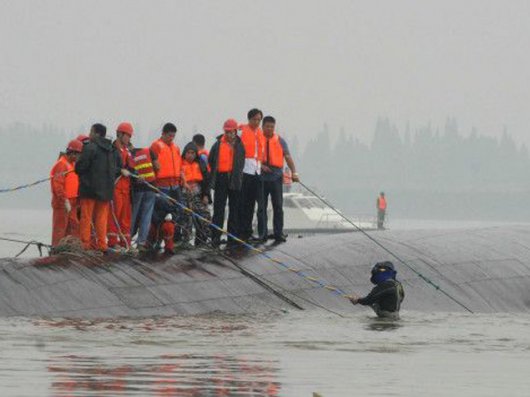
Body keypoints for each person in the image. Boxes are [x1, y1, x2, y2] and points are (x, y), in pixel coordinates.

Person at [75, 123, 122, 252]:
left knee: (86, 217)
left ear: (97, 134)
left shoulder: (90, 148)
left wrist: (78, 165)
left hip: (89, 189)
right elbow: (116, 169)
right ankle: (102, 245)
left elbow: (80, 167)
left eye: (91, 131)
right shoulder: (111, 150)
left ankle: (85, 244)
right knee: (101, 219)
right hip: (106, 190)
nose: (89, 134)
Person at [257, 116, 299, 243]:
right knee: (261, 207)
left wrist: (294, 172)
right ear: (263, 127)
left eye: (272, 127)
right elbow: (251, 157)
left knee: (278, 206)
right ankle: (262, 234)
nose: (270, 129)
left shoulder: (280, 140)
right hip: (262, 177)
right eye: (267, 126)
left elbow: (287, 156)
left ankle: (278, 233)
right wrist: (261, 166)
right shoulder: (258, 139)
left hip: (276, 176)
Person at [208, 119, 245, 247]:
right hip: (221, 178)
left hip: (235, 178)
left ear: (235, 131)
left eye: (231, 132)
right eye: (227, 132)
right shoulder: (217, 145)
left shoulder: (240, 145)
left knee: (234, 209)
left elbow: (242, 162)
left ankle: (232, 237)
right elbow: (211, 161)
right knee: (219, 209)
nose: (229, 134)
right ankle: (215, 237)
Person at [150, 122, 186, 240]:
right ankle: (157, 238)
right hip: (162, 185)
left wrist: (182, 179)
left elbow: (180, 165)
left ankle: (174, 237)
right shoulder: (156, 146)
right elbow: (151, 165)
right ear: (163, 134)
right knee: (162, 213)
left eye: (173, 136)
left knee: (179, 210)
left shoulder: (176, 148)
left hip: (175, 185)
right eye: (169, 135)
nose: (171, 138)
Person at [49, 139, 83, 248]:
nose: (79, 157)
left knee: (74, 228)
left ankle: (70, 249)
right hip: (62, 203)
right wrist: (65, 200)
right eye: (78, 154)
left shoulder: (72, 164)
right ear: (72, 153)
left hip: (72, 203)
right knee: (60, 228)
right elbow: (58, 185)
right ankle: (56, 249)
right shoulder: (61, 165)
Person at [107, 122, 135, 249]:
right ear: (120, 134)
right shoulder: (113, 150)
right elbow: (110, 167)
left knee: (126, 216)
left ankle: (126, 243)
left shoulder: (127, 150)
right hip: (116, 186)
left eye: (130, 136)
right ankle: (112, 242)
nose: (129, 138)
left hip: (126, 187)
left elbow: (131, 166)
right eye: (127, 135)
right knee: (114, 214)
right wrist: (120, 171)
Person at [238, 108, 264, 241]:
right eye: (255, 119)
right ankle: (240, 231)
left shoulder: (260, 133)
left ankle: (248, 231)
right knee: (243, 202)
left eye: (259, 119)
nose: (257, 122)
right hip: (245, 170)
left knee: (251, 203)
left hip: (256, 170)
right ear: (249, 119)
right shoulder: (242, 130)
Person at [180, 142, 211, 246]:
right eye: (188, 153)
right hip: (184, 195)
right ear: (185, 153)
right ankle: (186, 242)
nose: (190, 155)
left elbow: (207, 180)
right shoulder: (179, 163)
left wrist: (206, 195)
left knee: (205, 216)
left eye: (193, 153)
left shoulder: (200, 163)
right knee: (186, 218)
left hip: (198, 195)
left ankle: (202, 240)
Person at [130, 144, 160, 253]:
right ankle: (141, 243)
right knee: (146, 216)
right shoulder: (149, 151)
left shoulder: (130, 154)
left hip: (137, 188)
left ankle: (126, 240)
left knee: (133, 215)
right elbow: (157, 166)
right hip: (150, 186)